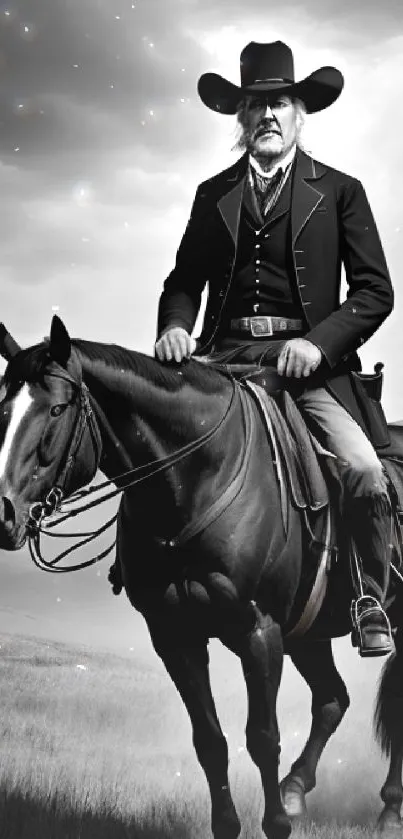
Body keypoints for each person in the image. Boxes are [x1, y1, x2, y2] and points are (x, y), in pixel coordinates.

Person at [154, 40, 394, 657]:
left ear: (299, 113)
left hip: (309, 372)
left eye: (279, 103)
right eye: (256, 104)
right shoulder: (214, 195)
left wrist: (317, 346)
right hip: (221, 362)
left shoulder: (341, 191)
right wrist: (176, 325)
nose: (267, 114)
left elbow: (374, 292)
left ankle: (368, 597)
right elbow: (183, 282)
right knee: (151, 446)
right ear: (241, 116)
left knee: (366, 472)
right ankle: (141, 564)